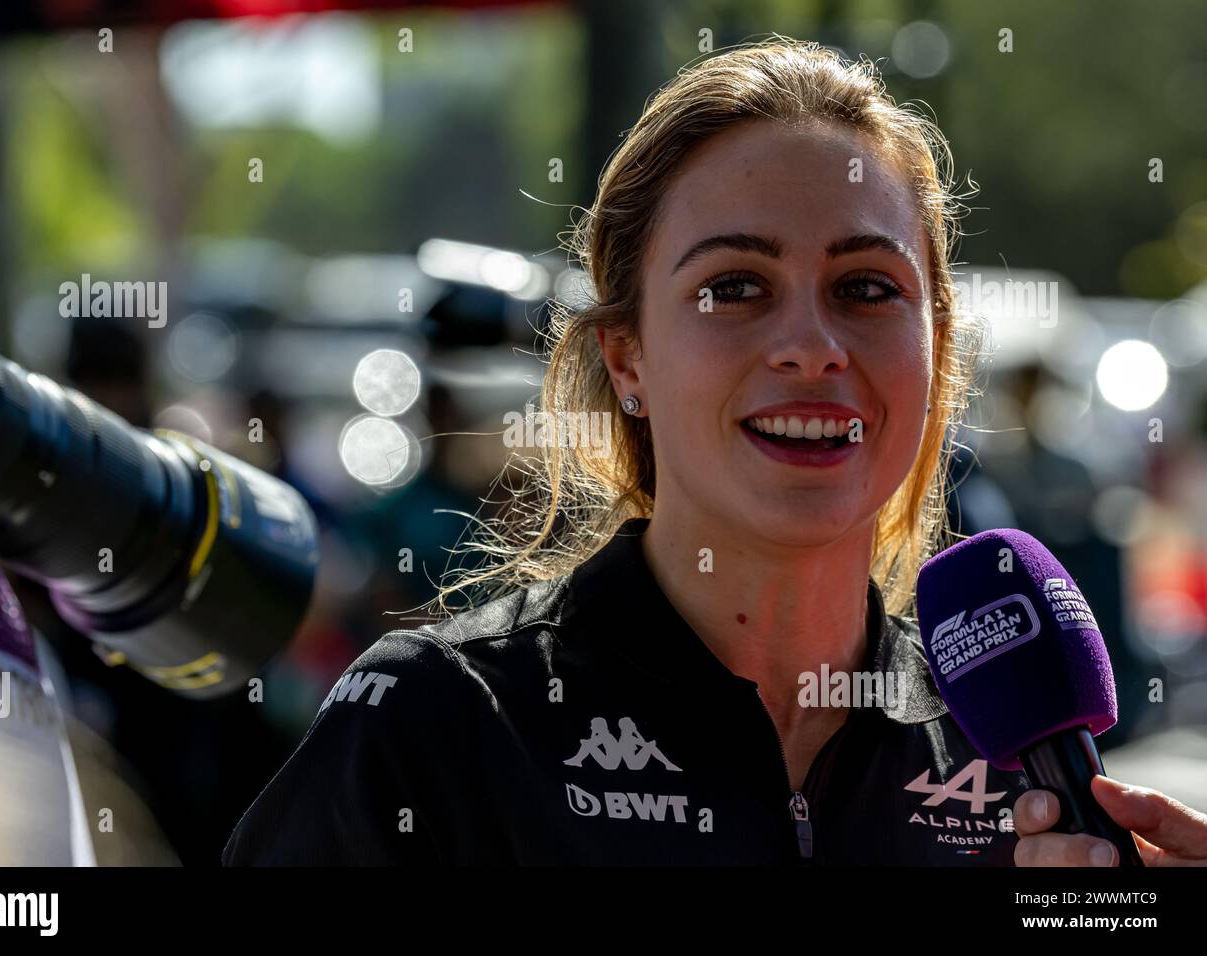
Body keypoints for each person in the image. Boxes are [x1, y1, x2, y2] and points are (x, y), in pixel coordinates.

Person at [223, 37, 1205, 866]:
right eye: (733, 286)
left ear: (936, 351)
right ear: (628, 355)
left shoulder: (1018, 779)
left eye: (866, 287)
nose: (810, 344)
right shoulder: (432, 726)